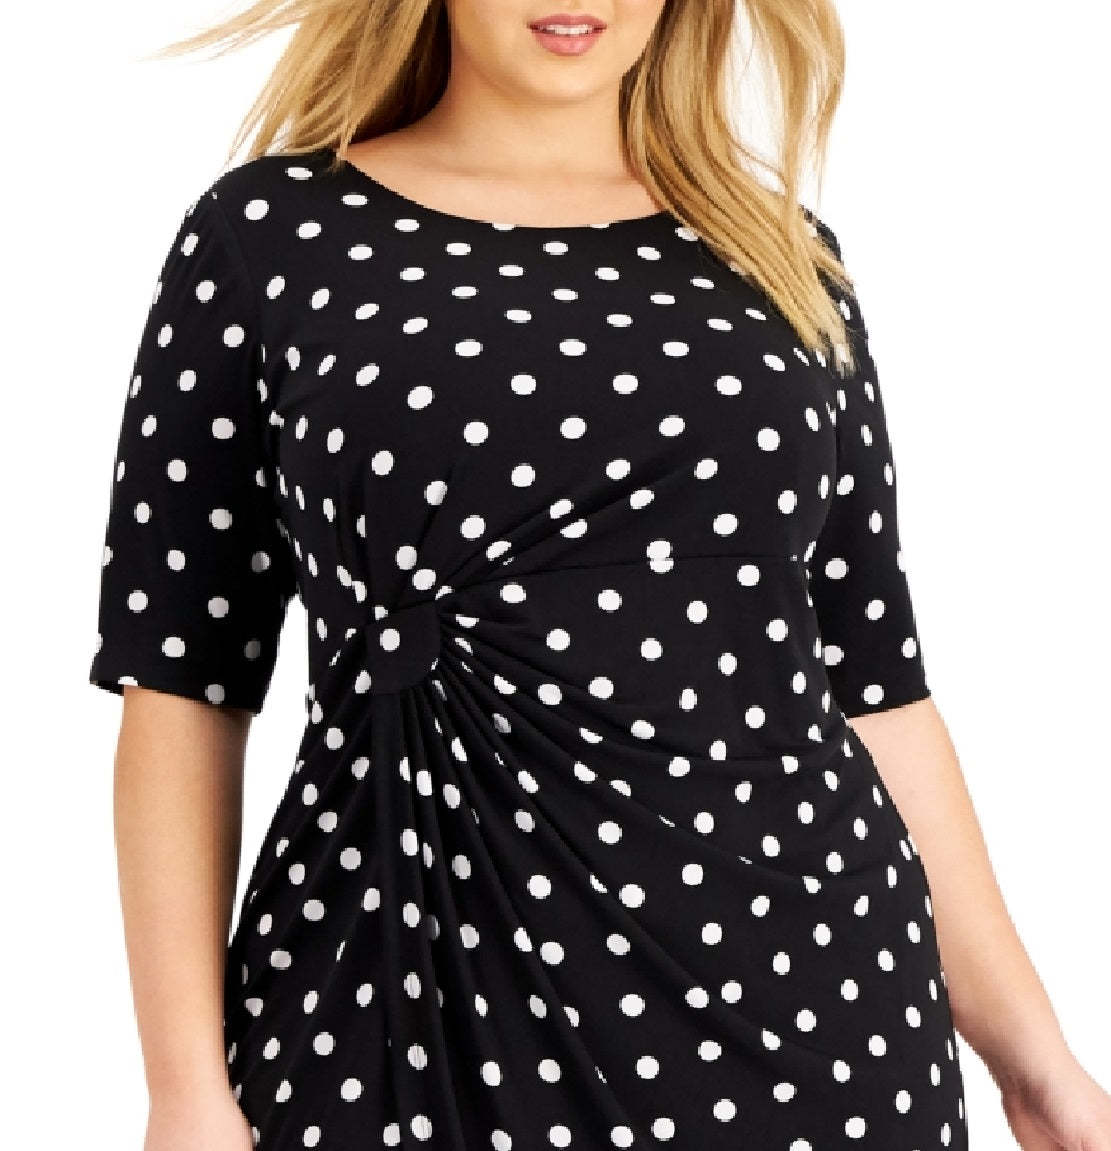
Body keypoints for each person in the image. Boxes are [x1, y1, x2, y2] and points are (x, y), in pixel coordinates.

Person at [87, 2, 1111, 1149]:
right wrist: (183, 1087)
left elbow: (874, 689)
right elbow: (181, 683)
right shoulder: (271, 236)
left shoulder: (784, 256)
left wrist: (1037, 1064)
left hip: (811, 1011)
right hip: (409, 992)